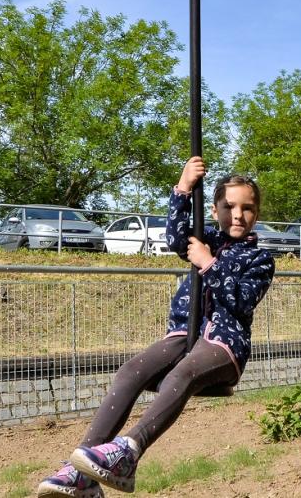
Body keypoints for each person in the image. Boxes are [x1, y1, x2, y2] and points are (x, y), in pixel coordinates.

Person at [37, 156, 275, 497]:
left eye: (247, 208)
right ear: (214, 209)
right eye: (229, 206)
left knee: (182, 375)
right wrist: (182, 188)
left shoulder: (259, 259)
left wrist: (208, 264)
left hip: (225, 343)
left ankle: (129, 451)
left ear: (257, 213)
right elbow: (177, 238)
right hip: (184, 333)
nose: (238, 215)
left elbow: (240, 302)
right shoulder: (203, 237)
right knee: (130, 371)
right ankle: (80, 474)